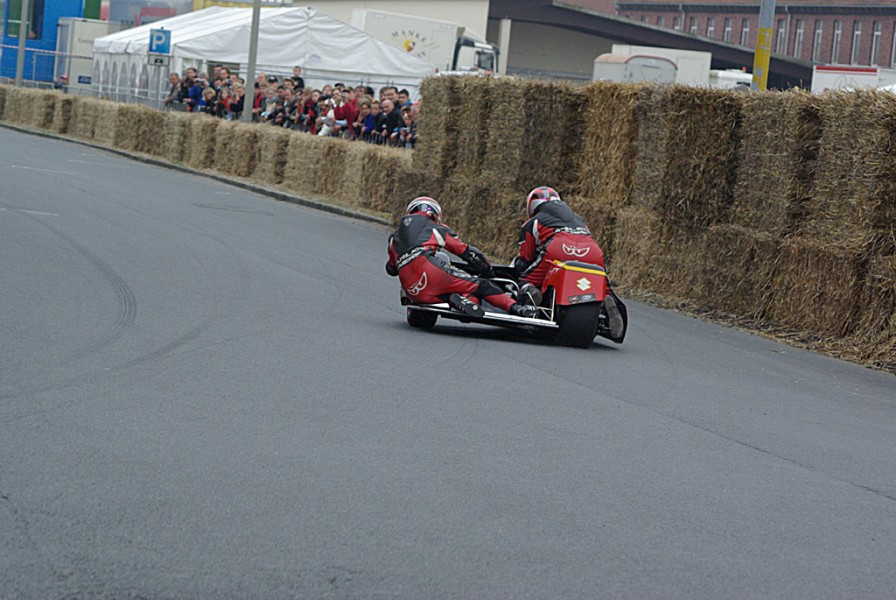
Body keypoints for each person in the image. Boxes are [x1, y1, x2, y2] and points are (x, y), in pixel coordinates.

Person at [387, 198, 539, 318]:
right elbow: (467, 252)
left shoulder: (394, 238)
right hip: (432, 272)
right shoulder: (435, 227)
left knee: (452, 288)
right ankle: (517, 309)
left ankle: (464, 300)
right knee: (482, 286)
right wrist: (486, 270)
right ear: (435, 214)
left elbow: (391, 269)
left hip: (413, 291)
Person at [512, 186, 623, 335]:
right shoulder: (578, 219)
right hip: (592, 250)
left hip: (558, 246)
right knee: (604, 285)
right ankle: (607, 300)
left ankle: (531, 294)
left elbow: (525, 258)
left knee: (526, 279)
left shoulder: (534, 221)